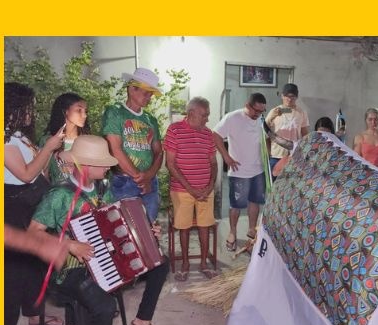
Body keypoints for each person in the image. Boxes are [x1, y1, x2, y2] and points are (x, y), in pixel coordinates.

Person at [29, 135, 170, 325]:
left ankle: (142, 320)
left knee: (161, 263)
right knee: (104, 307)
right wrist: (70, 244)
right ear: (84, 165)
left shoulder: (104, 189)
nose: (108, 168)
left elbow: (117, 221)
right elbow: (32, 234)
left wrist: (147, 233)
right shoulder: (59, 195)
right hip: (69, 269)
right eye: (103, 163)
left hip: (105, 256)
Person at [4, 82, 66, 325]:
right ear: (12, 107)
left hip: (32, 204)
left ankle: (33, 312)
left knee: (35, 265)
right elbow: (26, 174)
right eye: (27, 105)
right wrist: (50, 147)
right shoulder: (1, 140)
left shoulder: (18, 134)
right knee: (13, 273)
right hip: (13, 208)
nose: (32, 110)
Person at [163, 97, 218, 281]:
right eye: (204, 115)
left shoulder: (208, 134)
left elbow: (213, 163)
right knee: (183, 227)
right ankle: (185, 264)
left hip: (205, 190)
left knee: (205, 226)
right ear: (191, 113)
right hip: (181, 190)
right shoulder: (174, 130)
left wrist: (210, 186)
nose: (207, 119)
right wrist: (190, 189)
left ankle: (203, 263)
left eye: (208, 115)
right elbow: (170, 164)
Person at [103, 68, 164, 223]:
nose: (149, 96)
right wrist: (140, 178)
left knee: (149, 231)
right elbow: (115, 148)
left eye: (151, 93)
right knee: (125, 231)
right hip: (124, 183)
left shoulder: (151, 120)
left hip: (150, 183)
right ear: (131, 88)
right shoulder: (114, 112)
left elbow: (159, 152)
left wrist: (149, 177)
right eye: (146, 92)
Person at [213, 93, 267, 252]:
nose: (258, 115)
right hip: (238, 171)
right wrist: (226, 157)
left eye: (262, 111)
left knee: (255, 202)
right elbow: (215, 135)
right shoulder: (232, 118)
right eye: (256, 111)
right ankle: (232, 232)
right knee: (236, 205)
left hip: (258, 169)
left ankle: (251, 230)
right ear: (248, 105)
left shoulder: (261, 120)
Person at [44, 92, 90, 187]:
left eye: (85, 111)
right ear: (65, 111)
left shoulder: (89, 142)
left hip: (84, 195)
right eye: (79, 110)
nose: (84, 115)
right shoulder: (49, 140)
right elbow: (43, 173)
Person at [265, 83, 309, 176]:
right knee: (275, 186)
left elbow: (305, 134)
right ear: (282, 96)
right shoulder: (274, 111)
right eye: (286, 96)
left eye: (292, 96)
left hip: (294, 156)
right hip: (276, 155)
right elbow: (265, 132)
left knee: (293, 186)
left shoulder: (301, 112)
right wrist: (268, 154)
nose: (289, 99)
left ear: (296, 97)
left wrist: (305, 152)